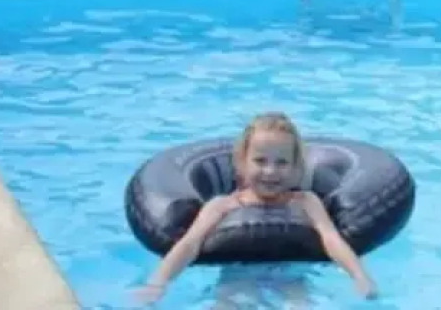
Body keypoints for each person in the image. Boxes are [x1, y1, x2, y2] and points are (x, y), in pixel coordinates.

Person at [133, 113, 377, 305]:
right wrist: (158, 283)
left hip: (292, 276)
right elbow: (189, 244)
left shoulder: (306, 202)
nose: (270, 171)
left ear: (296, 168)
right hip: (236, 276)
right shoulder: (222, 206)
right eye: (260, 161)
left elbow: (332, 239)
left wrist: (360, 277)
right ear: (241, 163)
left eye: (282, 162)